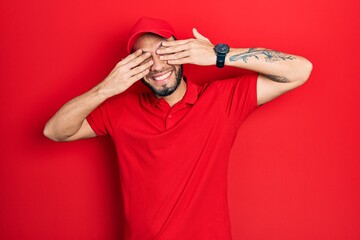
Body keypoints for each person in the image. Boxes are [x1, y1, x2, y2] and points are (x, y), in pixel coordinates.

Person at [44, 17, 312, 240]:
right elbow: (55, 131)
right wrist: (107, 88)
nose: (158, 66)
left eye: (164, 51)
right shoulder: (120, 110)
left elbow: (300, 70)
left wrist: (219, 55)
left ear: (183, 51)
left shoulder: (221, 101)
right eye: (144, 58)